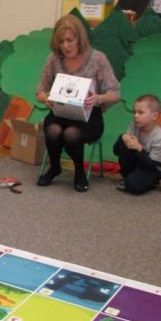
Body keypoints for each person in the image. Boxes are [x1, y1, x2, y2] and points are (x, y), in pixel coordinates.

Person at [35, 14, 120, 192]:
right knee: (52, 129)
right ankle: (55, 167)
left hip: (89, 116)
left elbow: (115, 94)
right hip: (61, 113)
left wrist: (98, 98)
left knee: (71, 134)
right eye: (61, 42)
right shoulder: (54, 59)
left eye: (70, 40)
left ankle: (79, 171)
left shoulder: (98, 59)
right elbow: (40, 92)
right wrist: (47, 98)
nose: (66, 46)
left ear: (79, 39)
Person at [113, 94, 161, 194]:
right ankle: (130, 177)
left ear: (154, 116)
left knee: (133, 186)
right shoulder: (133, 126)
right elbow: (116, 151)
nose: (135, 116)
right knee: (123, 143)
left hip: (153, 168)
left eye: (140, 112)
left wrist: (139, 148)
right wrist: (122, 137)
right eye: (134, 112)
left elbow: (151, 166)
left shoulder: (159, 137)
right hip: (138, 163)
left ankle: (149, 181)